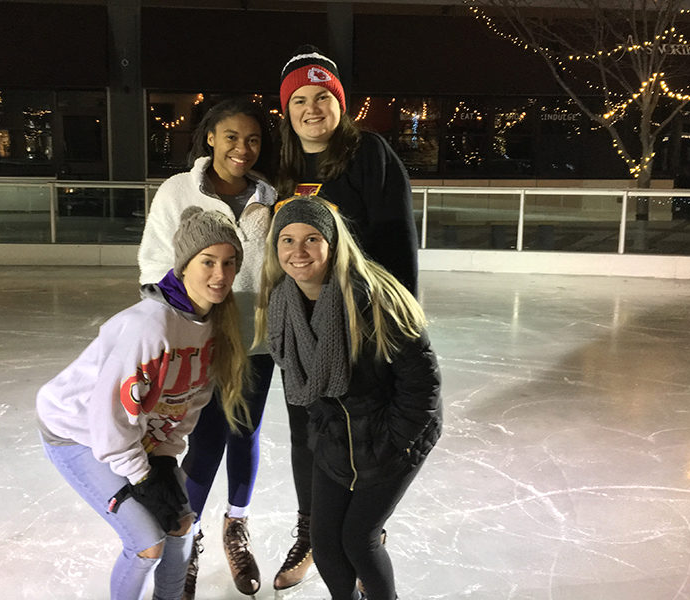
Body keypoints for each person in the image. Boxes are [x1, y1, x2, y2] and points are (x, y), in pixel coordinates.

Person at [38, 207, 248, 600]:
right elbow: (109, 418)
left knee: (183, 527)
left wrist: (165, 458)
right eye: (208, 262)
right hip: (77, 430)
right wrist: (142, 475)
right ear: (184, 265)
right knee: (147, 543)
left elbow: (188, 403)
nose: (220, 275)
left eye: (229, 263)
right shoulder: (150, 326)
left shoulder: (214, 327)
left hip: (132, 435)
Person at [272, 44, 421, 589]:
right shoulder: (281, 162)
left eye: (323, 98)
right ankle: (313, 531)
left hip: (360, 327)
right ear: (286, 111)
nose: (312, 110)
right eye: (300, 101)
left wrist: (394, 331)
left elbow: (399, 248)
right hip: (300, 329)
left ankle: (360, 533)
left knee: (361, 428)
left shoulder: (371, 156)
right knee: (305, 432)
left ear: (341, 104)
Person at [255, 196, 441, 600]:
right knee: (324, 543)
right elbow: (305, 386)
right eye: (286, 240)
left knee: (359, 540)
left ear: (334, 243)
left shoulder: (376, 299)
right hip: (336, 434)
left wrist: (393, 440)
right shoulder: (285, 303)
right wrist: (324, 432)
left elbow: (422, 383)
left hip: (391, 436)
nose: (297, 252)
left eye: (311, 238)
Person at [137, 98, 277, 598]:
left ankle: (235, 526)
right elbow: (154, 263)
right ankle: (187, 536)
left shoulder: (268, 196)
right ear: (211, 138)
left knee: (245, 433)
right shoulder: (178, 192)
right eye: (232, 137)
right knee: (205, 440)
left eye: (253, 139)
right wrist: (187, 322)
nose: (243, 148)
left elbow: (275, 270)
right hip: (197, 340)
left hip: (257, 344)